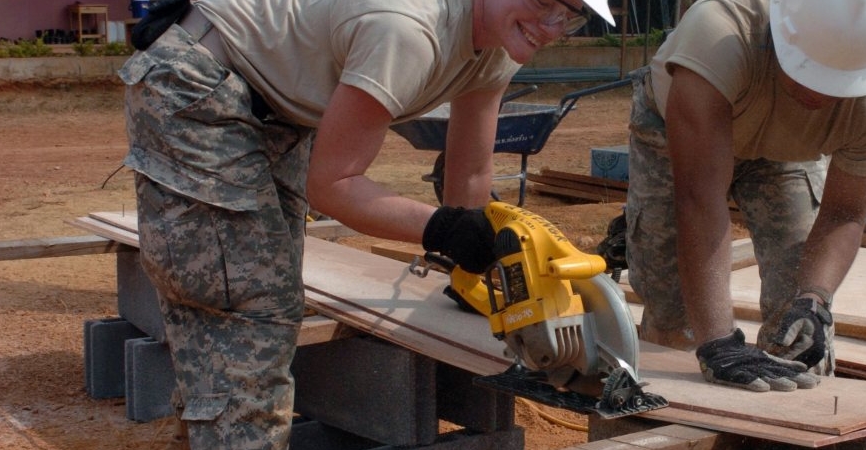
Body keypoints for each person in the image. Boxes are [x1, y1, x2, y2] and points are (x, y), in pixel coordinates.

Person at [119, 0, 615, 448]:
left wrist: (486, 274)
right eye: (545, 2)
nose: (552, 26)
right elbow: (333, 185)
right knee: (251, 303)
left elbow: (471, 174)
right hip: (201, 79)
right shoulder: (407, 28)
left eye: (571, 15)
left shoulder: (500, 44)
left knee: (242, 291)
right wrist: (445, 231)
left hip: (273, 102)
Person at [626, 0, 866, 396]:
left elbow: (845, 215)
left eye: (835, 84)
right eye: (808, 72)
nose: (816, 92)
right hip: (677, 127)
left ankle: (789, 423)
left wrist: (816, 299)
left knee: (798, 308)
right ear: (781, 32)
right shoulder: (717, 35)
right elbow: (699, 198)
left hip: (783, 155)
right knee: (673, 302)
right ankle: (668, 412)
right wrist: (719, 342)